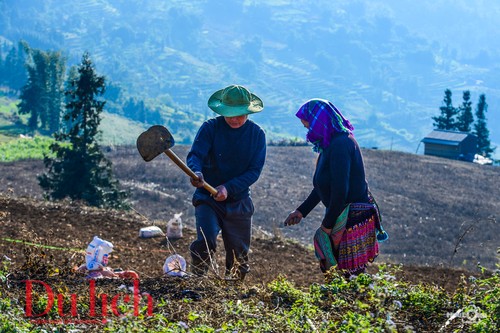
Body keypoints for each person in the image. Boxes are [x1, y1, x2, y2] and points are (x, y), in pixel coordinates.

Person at [284, 98, 387, 277]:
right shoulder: (330, 144)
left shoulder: (341, 144)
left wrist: (326, 226)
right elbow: (322, 186)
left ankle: (352, 304)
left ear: (319, 122)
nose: (308, 131)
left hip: (352, 217)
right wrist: (301, 211)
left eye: (309, 126)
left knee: (348, 273)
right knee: (342, 273)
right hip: (343, 213)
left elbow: (340, 191)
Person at [187, 84, 266, 280]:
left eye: (240, 114)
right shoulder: (210, 129)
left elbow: (254, 171)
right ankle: (198, 280)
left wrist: (229, 188)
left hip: (238, 200)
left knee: (238, 255)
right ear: (222, 111)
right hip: (208, 198)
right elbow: (195, 155)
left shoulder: (257, 135)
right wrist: (196, 172)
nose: (235, 119)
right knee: (205, 242)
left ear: (248, 112)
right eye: (230, 114)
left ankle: (233, 292)